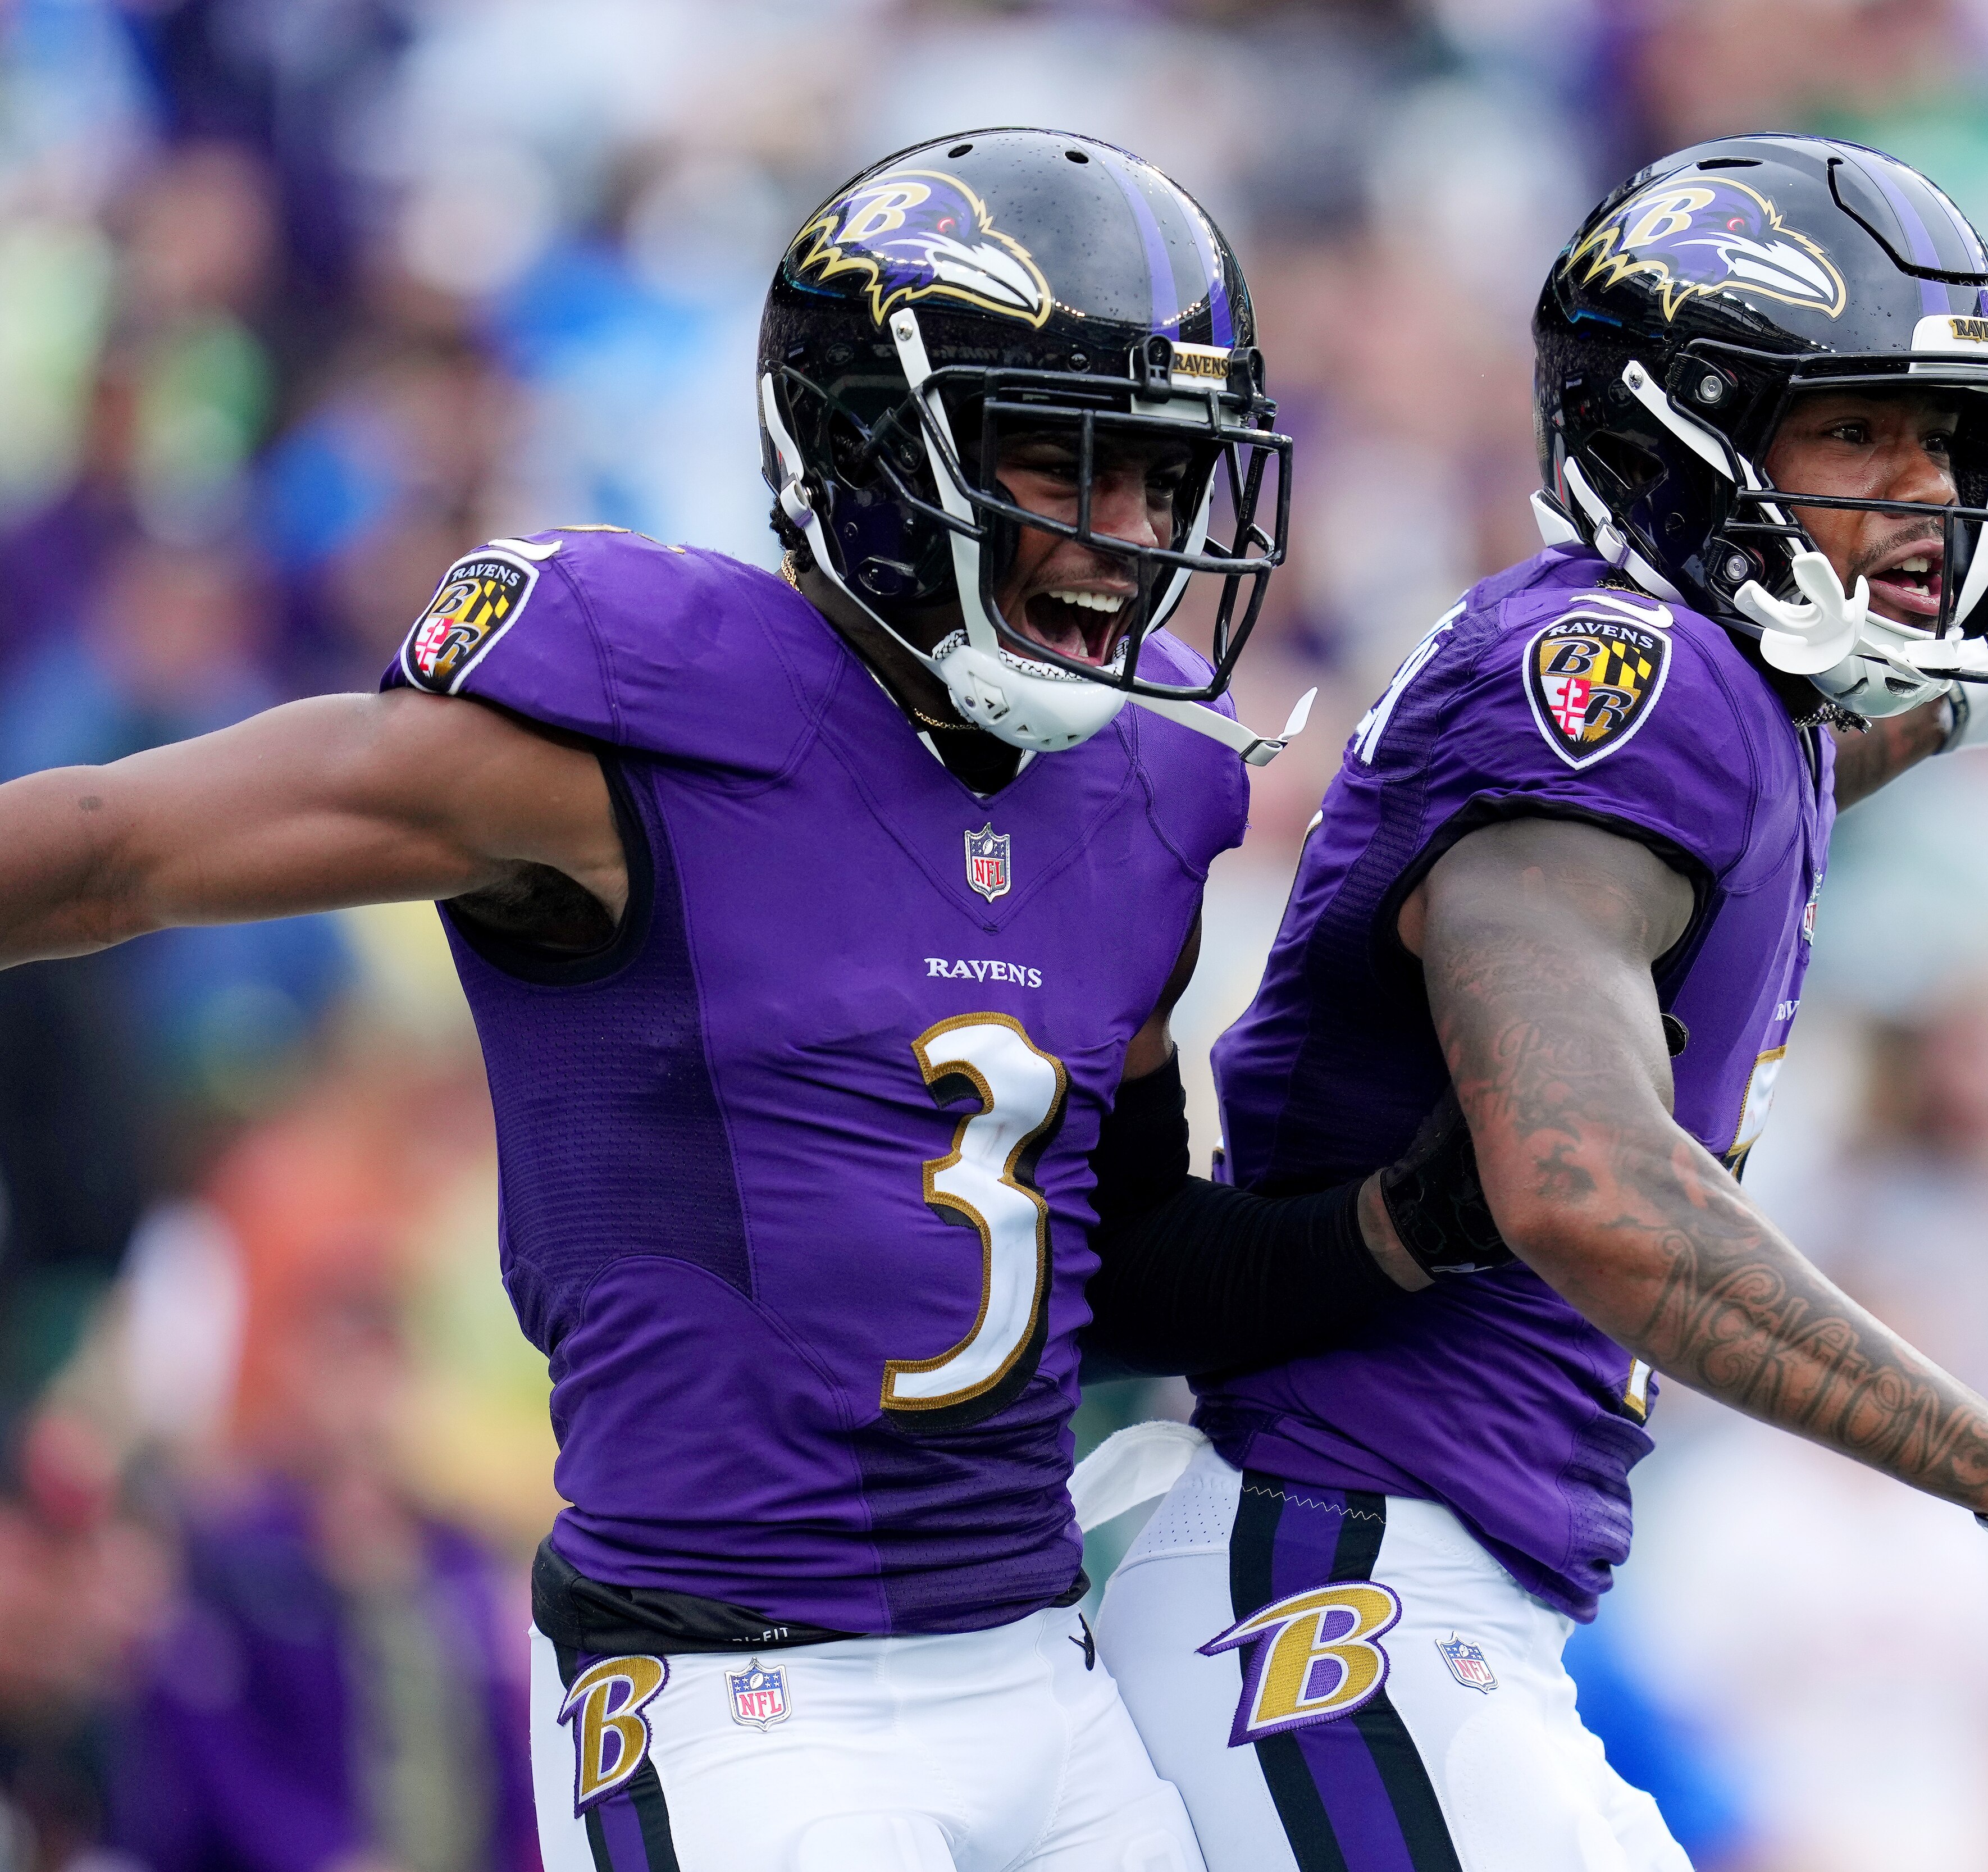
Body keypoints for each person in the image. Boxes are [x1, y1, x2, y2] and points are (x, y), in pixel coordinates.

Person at [0, 128, 1433, 1872]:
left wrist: (1427, 1217)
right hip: (739, 1704)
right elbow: (110, 857)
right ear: (876, 450)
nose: (1130, 539)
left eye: (1161, 475)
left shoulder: (1139, 808)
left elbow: (1114, 1275)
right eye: (1067, 465)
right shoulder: (639, 723)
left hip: (1043, 1692)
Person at [1091, 134, 1988, 1872]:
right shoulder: (1624, 691)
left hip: (1404, 1597)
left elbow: (1717, 837)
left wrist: (1978, 703)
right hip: (1341, 1597)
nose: (1933, 492)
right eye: (1859, 430)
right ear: (1683, 436)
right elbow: (1585, 1182)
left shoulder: (1703, 698)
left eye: (1946, 440)